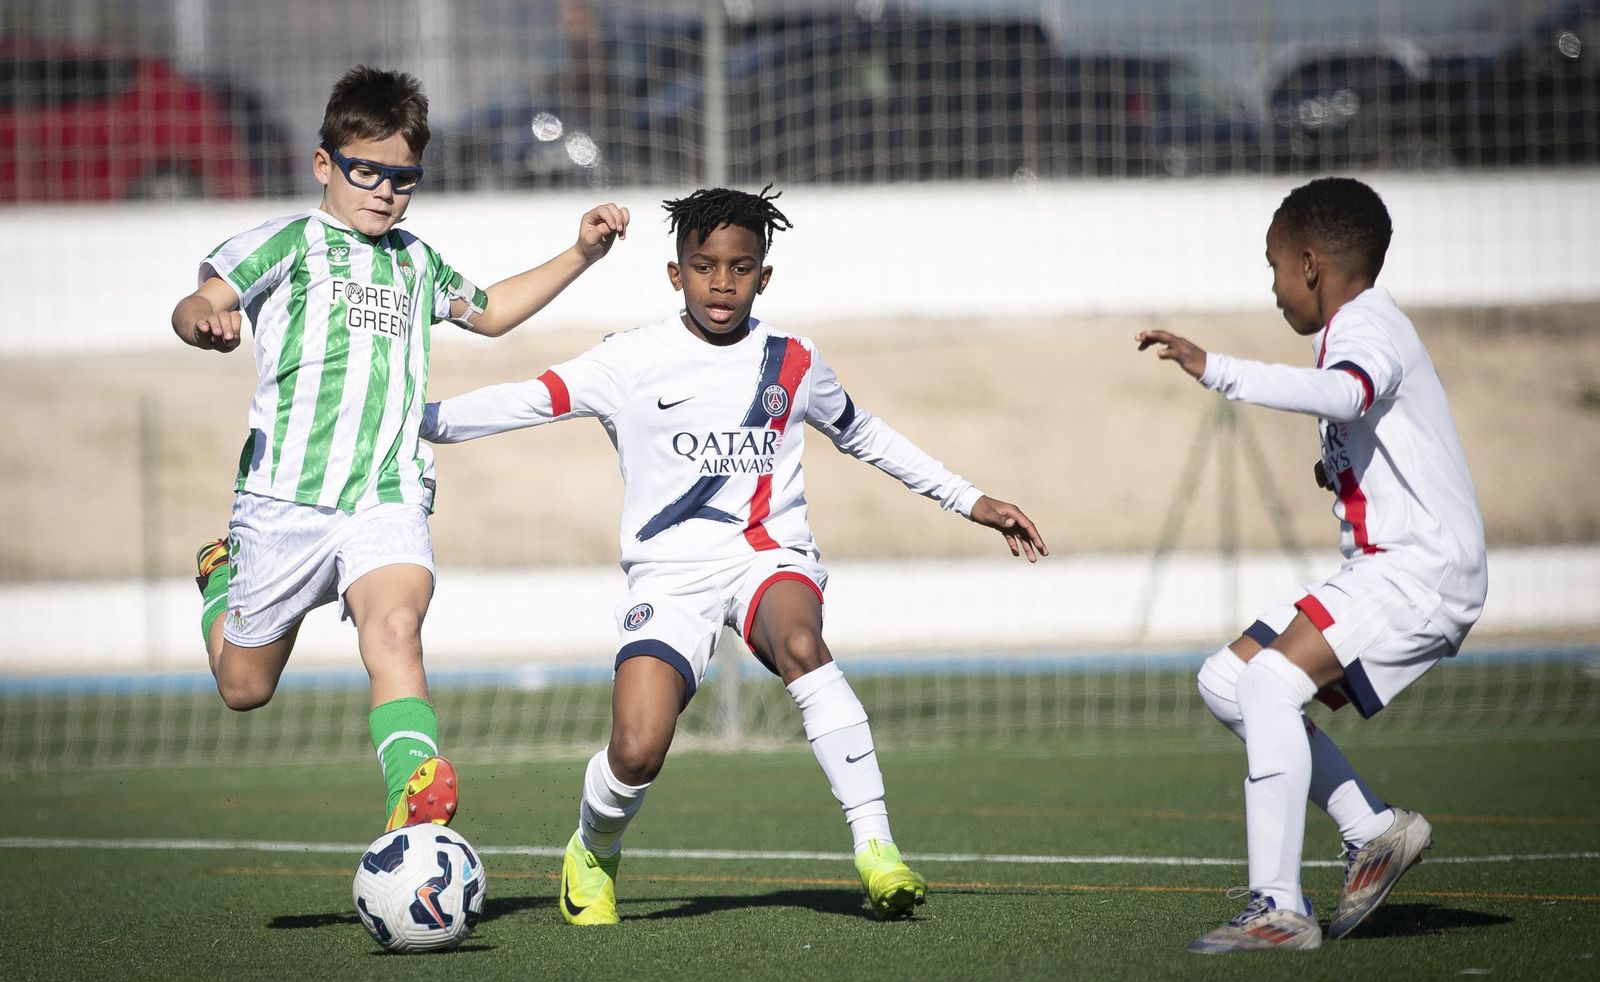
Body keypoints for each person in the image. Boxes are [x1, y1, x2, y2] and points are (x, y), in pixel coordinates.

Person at [421, 186, 1048, 923]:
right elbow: (518, 401)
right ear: (674, 273)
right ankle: (592, 849)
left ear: (764, 276)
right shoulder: (629, 359)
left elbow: (867, 434)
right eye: (704, 266)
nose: (722, 283)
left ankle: (877, 850)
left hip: (768, 557)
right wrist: (404, 424)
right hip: (669, 574)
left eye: (741, 268)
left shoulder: (793, 360)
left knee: (803, 643)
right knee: (637, 750)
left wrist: (970, 499)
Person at [171, 66, 629, 835]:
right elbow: (199, 302)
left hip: (386, 493)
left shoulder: (416, 260)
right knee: (243, 687)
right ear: (326, 165)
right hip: (283, 503)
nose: (384, 191)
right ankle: (222, 577)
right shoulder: (289, 242)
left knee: (395, 628)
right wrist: (203, 325)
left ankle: (412, 805)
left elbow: (488, 313)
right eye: (366, 173)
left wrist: (580, 252)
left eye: (403, 179)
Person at [1136, 176, 1487, 953]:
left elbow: (1347, 392)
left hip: (1419, 571)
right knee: (1227, 679)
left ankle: (1277, 911)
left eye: (1272, 267)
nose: (1271, 288)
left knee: (1268, 679)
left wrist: (1219, 368)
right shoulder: (1363, 326)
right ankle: (1374, 831)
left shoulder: (1366, 326)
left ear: (1309, 263)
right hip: (1385, 567)